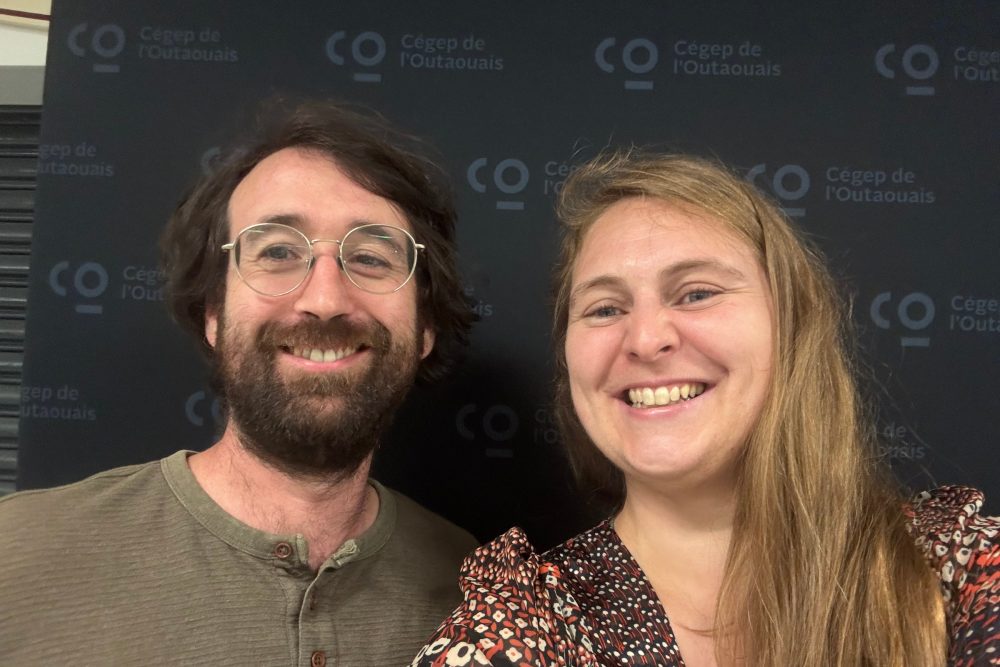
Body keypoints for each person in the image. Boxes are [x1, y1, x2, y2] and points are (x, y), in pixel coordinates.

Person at [412, 151, 1000, 666]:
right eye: (605, 309)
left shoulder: (953, 567)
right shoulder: (518, 628)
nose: (646, 339)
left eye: (697, 293)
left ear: (793, 326)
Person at [0, 101, 479, 665]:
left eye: (372, 257)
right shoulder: (17, 557)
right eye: (278, 251)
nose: (325, 299)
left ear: (424, 329)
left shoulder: (477, 590)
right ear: (213, 313)